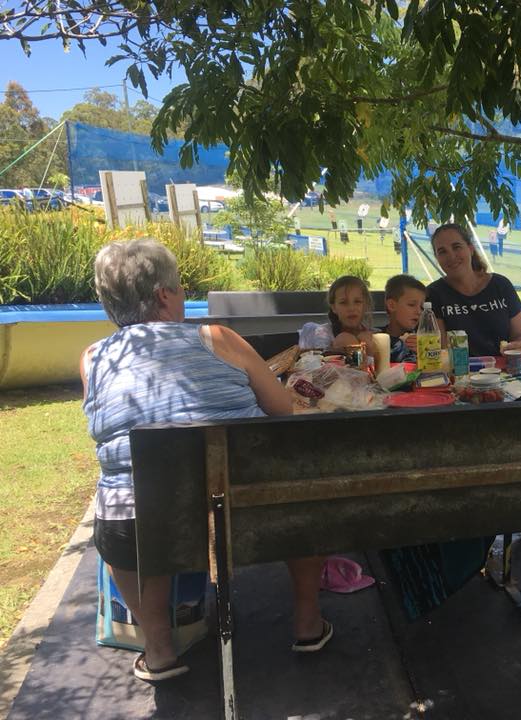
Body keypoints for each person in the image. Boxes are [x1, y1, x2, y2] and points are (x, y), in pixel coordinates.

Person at [83, 239, 332, 683]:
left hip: (136, 530)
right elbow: (282, 409)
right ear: (163, 295)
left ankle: (159, 648)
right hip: (243, 512)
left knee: (135, 501)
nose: (182, 297)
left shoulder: (93, 359)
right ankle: (308, 622)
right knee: (301, 495)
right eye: (179, 289)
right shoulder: (218, 338)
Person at [426, 223, 521, 358]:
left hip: (506, 373)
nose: (451, 256)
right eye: (442, 251)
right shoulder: (433, 294)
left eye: (456, 247)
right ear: (437, 258)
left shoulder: (500, 285)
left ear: (470, 248)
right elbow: (440, 351)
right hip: (460, 376)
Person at [381, 274, 426, 363]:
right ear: (391, 305)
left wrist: (425, 355)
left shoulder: (423, 341)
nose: (419, 311)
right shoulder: (377, 340)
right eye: (411, 305)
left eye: (421, 307)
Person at [327, 275, 375, 352]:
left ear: (365, 305)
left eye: (357, 302)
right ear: (334, 308)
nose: (351, 308)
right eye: (343, 303)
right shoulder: (324, 335)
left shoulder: (374, 336)